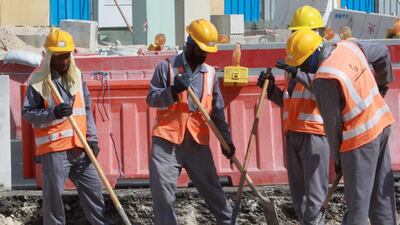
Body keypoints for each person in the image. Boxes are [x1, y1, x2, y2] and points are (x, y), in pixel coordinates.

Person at [285, 29, 397, 225]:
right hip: (381, 124)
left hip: (360, 140)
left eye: (303, 64)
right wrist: (383, 83)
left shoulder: (324, 78)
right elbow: (382, 52)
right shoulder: (349, 47)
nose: (305, 70)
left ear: (312, 55)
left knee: (357, 206)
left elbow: (332, 124)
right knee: (381, 195)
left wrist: (338, 159)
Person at [146, 18, 237, 225]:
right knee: (163, 199)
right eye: (200, 50)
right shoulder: (167, 68)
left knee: (215, 194)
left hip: (197, 143)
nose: (204, 55)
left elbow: (217, 112)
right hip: (166, 143)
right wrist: (172, 90)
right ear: (190, 44)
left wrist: (227, 141)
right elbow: (151, 98)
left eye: (207, 51)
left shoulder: (211, 73)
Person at [22, 28, 108, 225]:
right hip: (55, 150)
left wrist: (92, 139)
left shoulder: (77, 78)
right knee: (54, 201)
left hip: (80, 147)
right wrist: (53, 113)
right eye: (59, 57)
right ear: (50, 56)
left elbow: (86, 111)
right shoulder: (39, 83)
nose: (64, 61)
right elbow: (28, 114)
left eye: (67, 56)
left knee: (95, 192)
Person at [258, 5, 331, 225]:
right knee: (298, 195)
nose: (295, 37)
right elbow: (290, 101)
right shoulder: (295, 58)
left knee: (315, 195)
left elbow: (323, 91)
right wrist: (271, 91)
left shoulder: (323, 59)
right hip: (292, 133)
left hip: (315, 134)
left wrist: (298, 74)